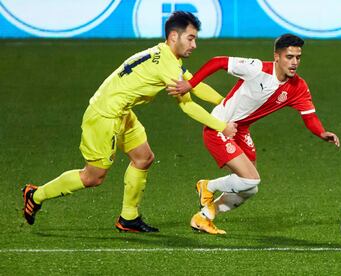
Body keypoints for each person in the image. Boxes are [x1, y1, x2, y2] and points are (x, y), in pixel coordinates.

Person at [21, 11, 237, 233]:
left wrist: (224, 101)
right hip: (104, 116)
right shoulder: (167, 65)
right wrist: (222, 127)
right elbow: (187, 105)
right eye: (191, 38)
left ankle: (128, 218)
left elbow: (194, 84)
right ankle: (36, 195)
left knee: (143, 158)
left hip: (121, 112)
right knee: (93, 177)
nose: (194, 44)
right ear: (174, 36)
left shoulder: (166, 56)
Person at [167, 34, 340, 234]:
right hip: (220, 127)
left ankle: (204, 217)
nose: (294, 63)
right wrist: (191, 84)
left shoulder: (298, 87)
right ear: (277, 56)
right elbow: (219, 62)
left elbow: (309, 116)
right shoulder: (256, 69)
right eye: (289, 57)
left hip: (241, 130)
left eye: (298, 58)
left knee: (249, 188)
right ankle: (207, 186)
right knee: (251, 179)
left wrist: (321, 132)